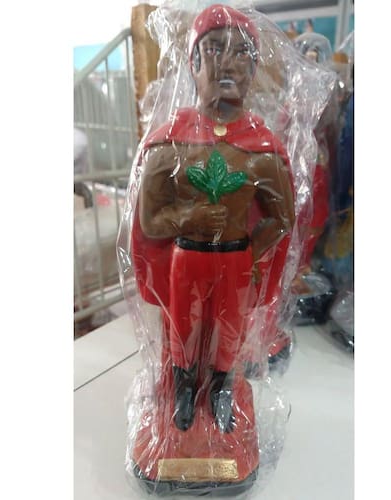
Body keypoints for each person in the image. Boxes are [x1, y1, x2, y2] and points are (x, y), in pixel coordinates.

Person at [132, 4, 295, 433]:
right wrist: (189, 217)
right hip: (186, 259)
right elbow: (149, 222)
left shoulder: (263, 150)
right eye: (215, 48)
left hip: (236, 259)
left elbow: (282, 218)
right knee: (182, 328)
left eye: (241, 52)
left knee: (230, 331)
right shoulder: (167, 146)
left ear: (254, 68)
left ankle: (222, 390)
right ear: (194, 63)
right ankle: (183, 389)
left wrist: (250, 253)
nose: (228, 62)